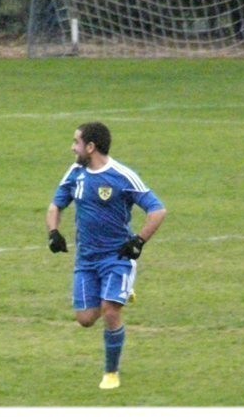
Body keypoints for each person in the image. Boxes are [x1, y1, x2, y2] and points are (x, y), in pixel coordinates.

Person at [46, 122, 166, 389]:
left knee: (110, 311)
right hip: (86, 259)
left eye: (76, 142)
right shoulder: (75, 172)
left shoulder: (122, 176)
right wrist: (53, 232)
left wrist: (138, 241)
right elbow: (56, 205)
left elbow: (157, 210)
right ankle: (121, 291)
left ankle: (111, 373)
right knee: (86, 319)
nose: (72, 147)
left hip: (117, 257)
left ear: (90, 147)